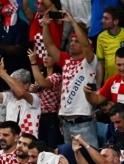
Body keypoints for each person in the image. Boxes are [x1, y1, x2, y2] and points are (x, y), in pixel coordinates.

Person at [41, 9, 97, 146]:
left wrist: (72, 21)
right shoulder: (66, 60)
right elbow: (49, 45)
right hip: (66, 123)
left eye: (76, 41)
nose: (72, 43)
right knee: (70, 159)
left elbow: (85, 44)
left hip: (83, 122)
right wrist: (46, 25)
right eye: (71, 41)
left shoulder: (89, 62)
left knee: (91, 157)